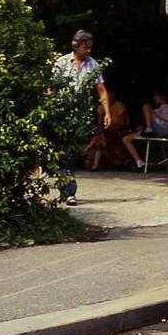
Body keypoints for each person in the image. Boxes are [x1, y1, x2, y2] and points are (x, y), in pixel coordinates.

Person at [53, 29, 111, 205]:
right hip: (62, 114)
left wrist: (107, 111)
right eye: (85, 47)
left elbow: (101, 89)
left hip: (80, 117)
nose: (88, 51)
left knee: (71, 153)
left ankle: (67, 191)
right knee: (64, 154)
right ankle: (69, 191)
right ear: (76, 46)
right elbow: (52, 88)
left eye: (90, 48)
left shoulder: (93, 64)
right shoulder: (62, 62)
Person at [122, 90, 168, 171]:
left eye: (156, 96)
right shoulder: (157, 109)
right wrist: (144, 128)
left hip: (164, 129)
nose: (154, 98)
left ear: (161, 96)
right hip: (155, 129)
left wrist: (158, 117)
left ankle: (149, 129)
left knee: (146, 106)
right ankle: (139, 162)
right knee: (126, 139)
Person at [84, 87, 130, 170]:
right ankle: (95, 162)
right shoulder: (101, 107)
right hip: (104, 132)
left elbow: (122, 124)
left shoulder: (119, 106)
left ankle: (89, 148)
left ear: (112, 94)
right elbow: (100, 124)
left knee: (101, 136)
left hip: (117, 131)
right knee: (100, 136)